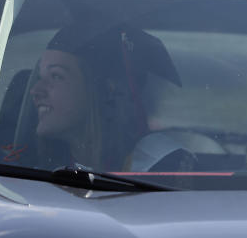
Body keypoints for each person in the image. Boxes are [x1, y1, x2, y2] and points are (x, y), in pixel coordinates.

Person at [27, 19, 184, 171]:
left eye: (56, 76)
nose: (35, 90)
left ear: (104, 89)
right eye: (40, 77)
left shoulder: (165, 170)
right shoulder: (28, 173)